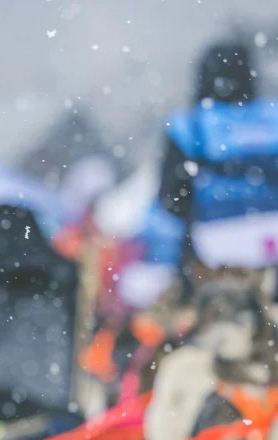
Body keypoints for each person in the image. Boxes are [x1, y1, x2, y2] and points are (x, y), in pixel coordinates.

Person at [118, 41, 278, 311]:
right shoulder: (273, 117)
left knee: (215, 328)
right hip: (273, 245)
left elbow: (170, 198)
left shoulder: (188, 125)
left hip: (212, 253)